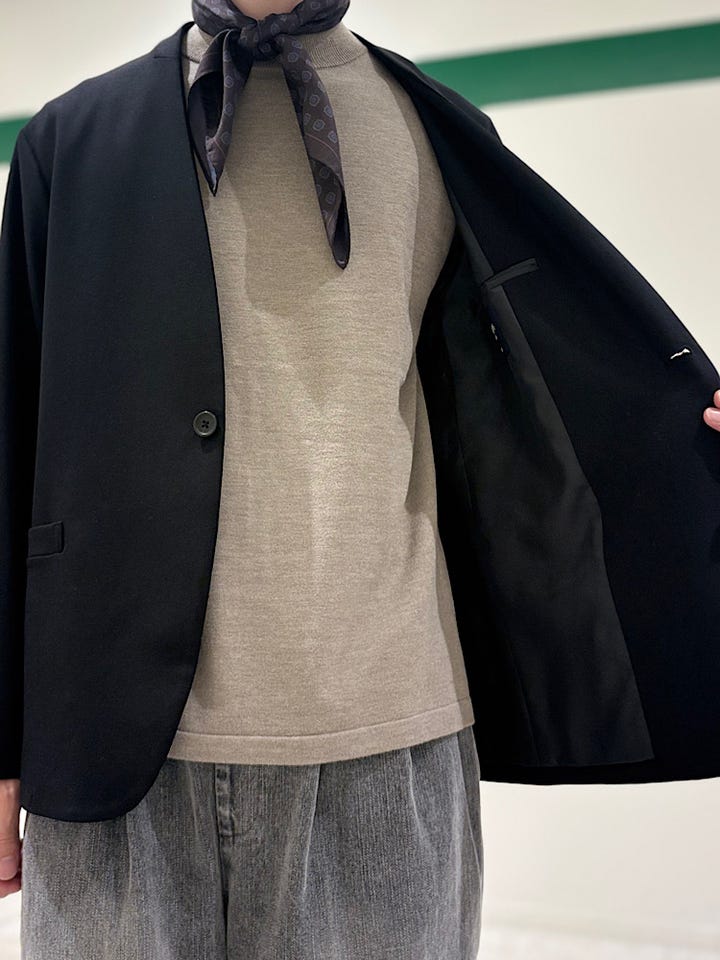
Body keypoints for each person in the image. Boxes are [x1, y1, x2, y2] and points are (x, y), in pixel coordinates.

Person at [1, 1, 484, 958]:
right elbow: (14, 439)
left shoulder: (441, 134)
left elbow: (530, 409)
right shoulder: (72, 140)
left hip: (384, 743)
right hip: (110, 749)